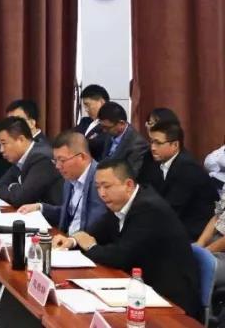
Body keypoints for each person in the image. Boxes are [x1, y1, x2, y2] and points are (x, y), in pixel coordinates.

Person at [55, 158, 202, 320]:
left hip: (170, 300)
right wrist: (73, 241)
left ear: (129, 185)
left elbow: (121, 257)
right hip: (138, 287)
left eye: (107, 186)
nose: (102, 193)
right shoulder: (118, 203)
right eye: (98, 187)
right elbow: (93, 235)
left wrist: (91, 246)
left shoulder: (149, 209)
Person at [139, 120, 217, 240]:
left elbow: (171, 209)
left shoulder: (187, 169)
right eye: (151, 142)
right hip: (175, 222)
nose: (153, 148)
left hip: (196, 230)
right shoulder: (159, 162)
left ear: (175, 145)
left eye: (158, 143)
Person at [18, 131, 108, 235]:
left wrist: (72, 241)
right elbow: (70, 213)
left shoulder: (100, 180)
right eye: (55, 160)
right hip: (65, 238)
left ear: (82, 157)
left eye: (62, 160)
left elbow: (97, 223)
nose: (57, 166)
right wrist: (40, 207)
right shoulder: (70, 179)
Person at [0, 116, 63, 207]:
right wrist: (15, 188)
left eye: (4, 143)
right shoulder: (20, 158)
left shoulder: (41, 158)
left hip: (49, 214)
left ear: (21, 140)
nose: (1, 150)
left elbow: (20, 199)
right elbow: (0, 185)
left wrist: (11, 187)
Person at [97, 102, 150, 176]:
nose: (104, 131)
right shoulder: (110, 134)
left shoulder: (137, 144)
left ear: (121, 123)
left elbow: (131, 175)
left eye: (107, 127)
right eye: (102, 126)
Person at [74, 84, 112, 160]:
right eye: (85, 106)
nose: (86, 109)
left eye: (87, 105)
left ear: (101, 102)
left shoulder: (111, 126)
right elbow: (71, 137)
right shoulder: (85, 121)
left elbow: (99, 144)